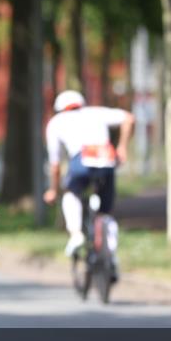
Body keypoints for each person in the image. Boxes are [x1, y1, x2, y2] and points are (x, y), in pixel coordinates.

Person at [43, 90, 134, 261]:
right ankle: (111, 257)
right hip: (106, 159)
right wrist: (122, 147)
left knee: (71, 193)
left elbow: (55, 166)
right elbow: (129, 118)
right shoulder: (96, 112)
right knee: (105, 214)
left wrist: (53, 190)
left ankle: (76, 234)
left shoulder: (55, 123)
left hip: (81, 160)